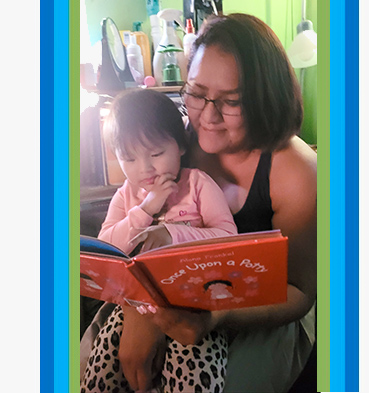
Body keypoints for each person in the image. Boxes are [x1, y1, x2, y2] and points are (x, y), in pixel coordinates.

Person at [82, 13, 317, 392]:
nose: (208, 117)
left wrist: (214, 315)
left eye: (232, 101)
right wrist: (141, 314)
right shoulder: (172, 143)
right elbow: (130, 248)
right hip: (156, 297)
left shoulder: (296, 172)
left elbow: (301, 292)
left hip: (253, 310)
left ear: (264, 97)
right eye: (195, 92)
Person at [80, 88, 238, 393]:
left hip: (193, 307)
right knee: (99, 378)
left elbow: (227, 237)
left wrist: (172, 233)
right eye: (129, 158)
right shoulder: (127, 195)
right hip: (135, 306)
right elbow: (107, 249)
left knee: (193, 380)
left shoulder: (196, 185)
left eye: (156, 154)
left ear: (179, 146)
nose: (145, 168)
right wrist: (145, 210)